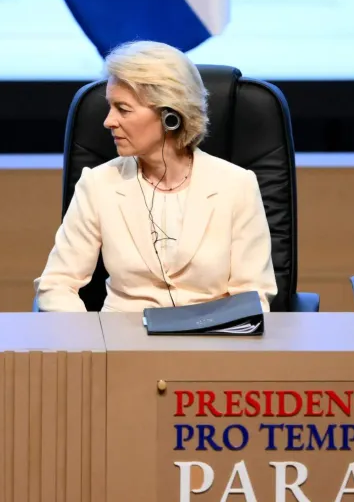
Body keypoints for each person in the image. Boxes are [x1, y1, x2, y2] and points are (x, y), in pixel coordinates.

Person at [33, 40, 277, 312]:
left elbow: (253, 295)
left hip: (211, 344)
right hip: (121, 345)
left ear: (170, 115)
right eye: (110, 107)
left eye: (123, 109)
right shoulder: (98, 184)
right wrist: (92, 339)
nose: (108, 121)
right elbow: (56, 285)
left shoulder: (236, 185)